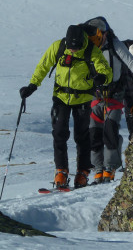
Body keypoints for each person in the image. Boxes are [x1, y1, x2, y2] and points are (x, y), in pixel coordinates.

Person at [19, 25, 113, 188]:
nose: (74, 51)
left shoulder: (92, 50)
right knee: (59, 133)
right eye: (71, 48)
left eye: (76, 48)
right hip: (60, 97)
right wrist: (32, 85)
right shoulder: (58, 46)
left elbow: (106, 71)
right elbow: (43, 65)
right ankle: (61, 171)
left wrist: (102, 77)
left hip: (83, 98)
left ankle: (82, 173)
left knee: (82, 137)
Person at [84, 17, 133, 184]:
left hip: (115, 94)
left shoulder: (115, 45)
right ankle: (98, 168)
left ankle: (109, 168)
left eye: (97, 35)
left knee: (110, 129)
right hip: (96, 95)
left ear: (105, 33)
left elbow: (130, 61)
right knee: (94, 131)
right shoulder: (89, 48)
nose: (95, 40)